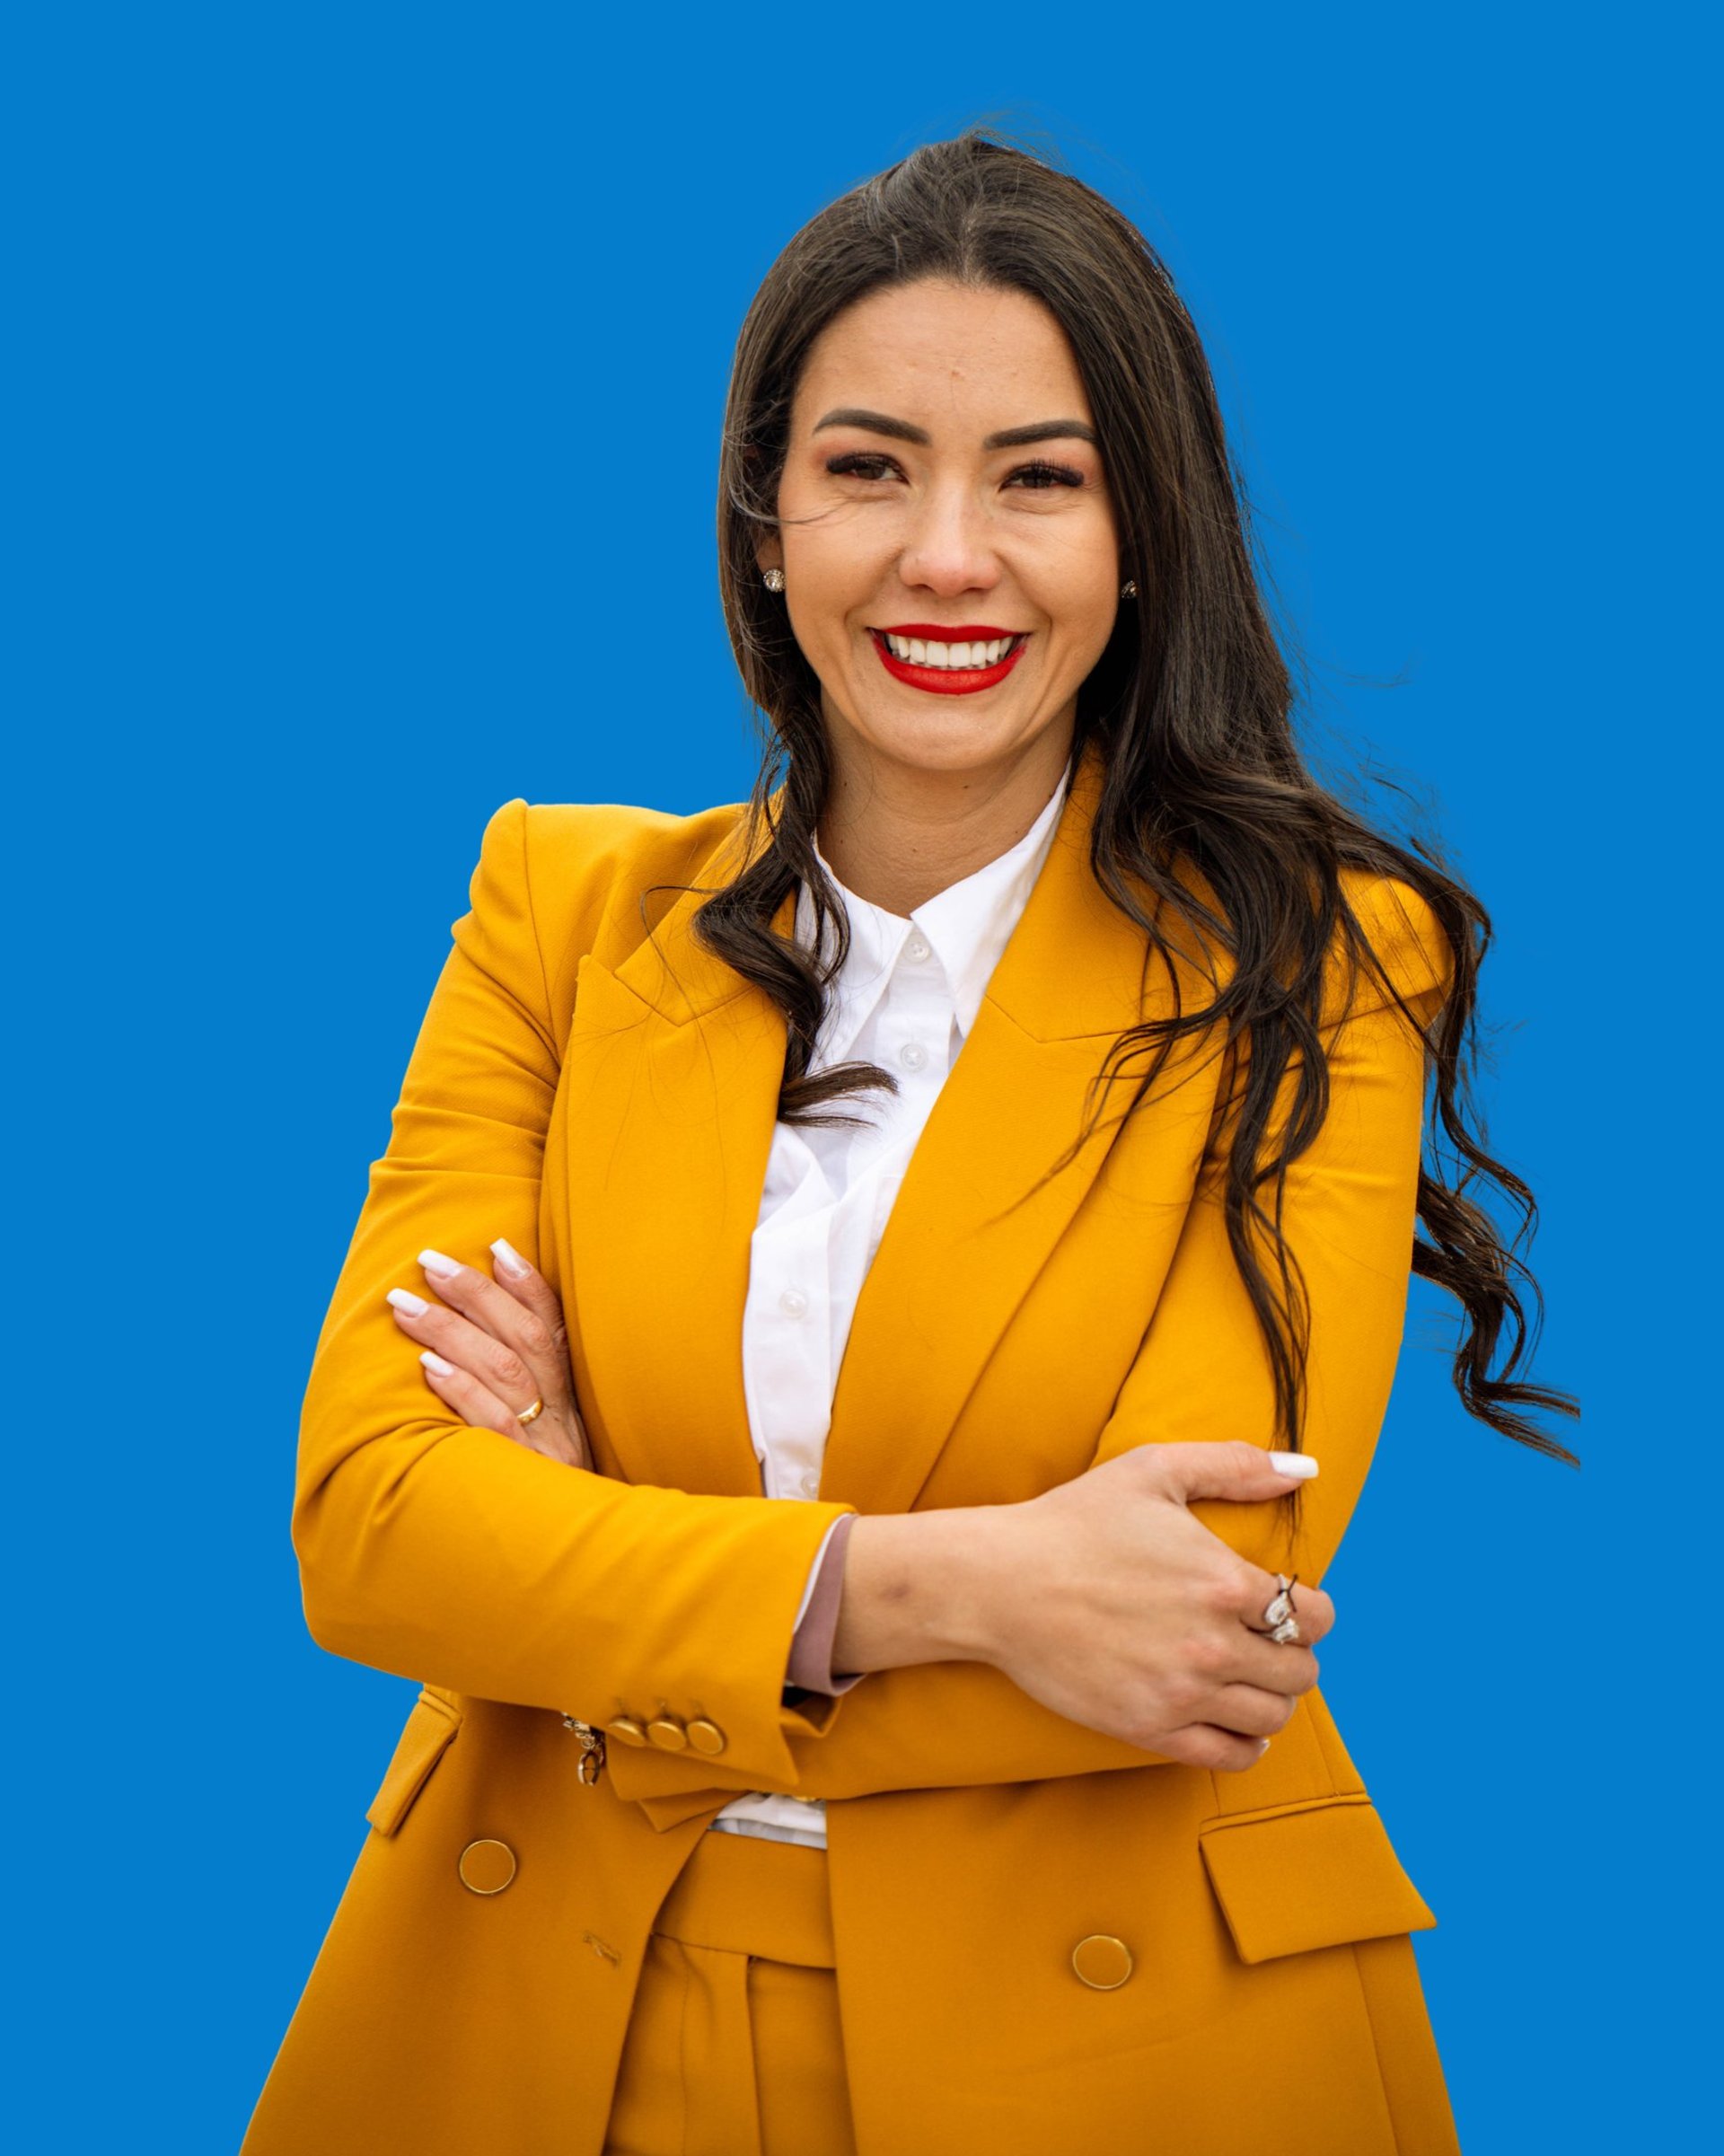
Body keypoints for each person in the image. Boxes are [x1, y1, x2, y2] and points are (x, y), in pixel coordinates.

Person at [242, 129, 1576, 2156]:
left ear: (1143, 541)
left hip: (1106, 2037)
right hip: (540, 2013)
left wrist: (587, 1549)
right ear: (766, 522)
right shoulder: (558, 914)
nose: (947, 555)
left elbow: (1189, 1629)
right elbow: (373, 1526)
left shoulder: (1322, 961)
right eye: (869, 467)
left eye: (1038, 478)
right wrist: (958, 1577)